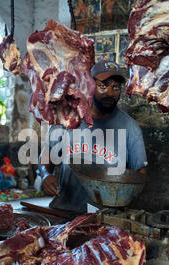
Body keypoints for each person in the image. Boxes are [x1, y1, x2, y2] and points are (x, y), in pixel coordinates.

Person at [38, 60, 148, 214]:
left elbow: (141, 174)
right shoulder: (67, 118)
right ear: (90, 85)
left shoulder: (130, 127)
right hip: (63, 211)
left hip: (105, 218)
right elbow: (46, 155)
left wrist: (122, 202)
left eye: (115, 87)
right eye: (102, 86)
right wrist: (45, 175)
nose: (109, 93)